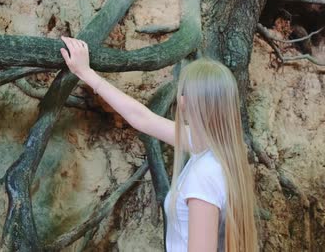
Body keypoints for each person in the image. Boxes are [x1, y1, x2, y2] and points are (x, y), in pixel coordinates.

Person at [60, 36, 258, 252]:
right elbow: (143, 118)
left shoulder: (204, 175)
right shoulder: (220, 152)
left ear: (187, 103)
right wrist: (86, 73)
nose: (179, 100)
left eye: (183, 93)